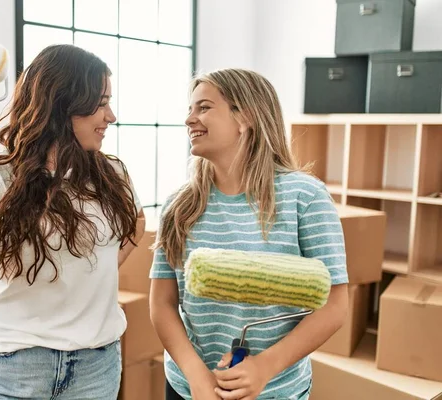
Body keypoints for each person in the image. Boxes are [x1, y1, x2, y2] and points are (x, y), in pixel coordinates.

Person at [0, 44, 145, 400]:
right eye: (101, 102)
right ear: (62, 103)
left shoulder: (114, 174)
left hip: (96, 369)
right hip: (11, 369)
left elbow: (135, 221)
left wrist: (103, 263)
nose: (111, 115)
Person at [149, 68, 349, 400]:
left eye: (204, 107)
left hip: (274, 391)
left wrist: (264, 367)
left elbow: (335, 305)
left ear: (246, 117)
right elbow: (163, 302)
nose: (189, 119)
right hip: (188, 389)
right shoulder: (178, 206)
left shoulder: (305, 198)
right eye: (190, 109)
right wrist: (196, 375)